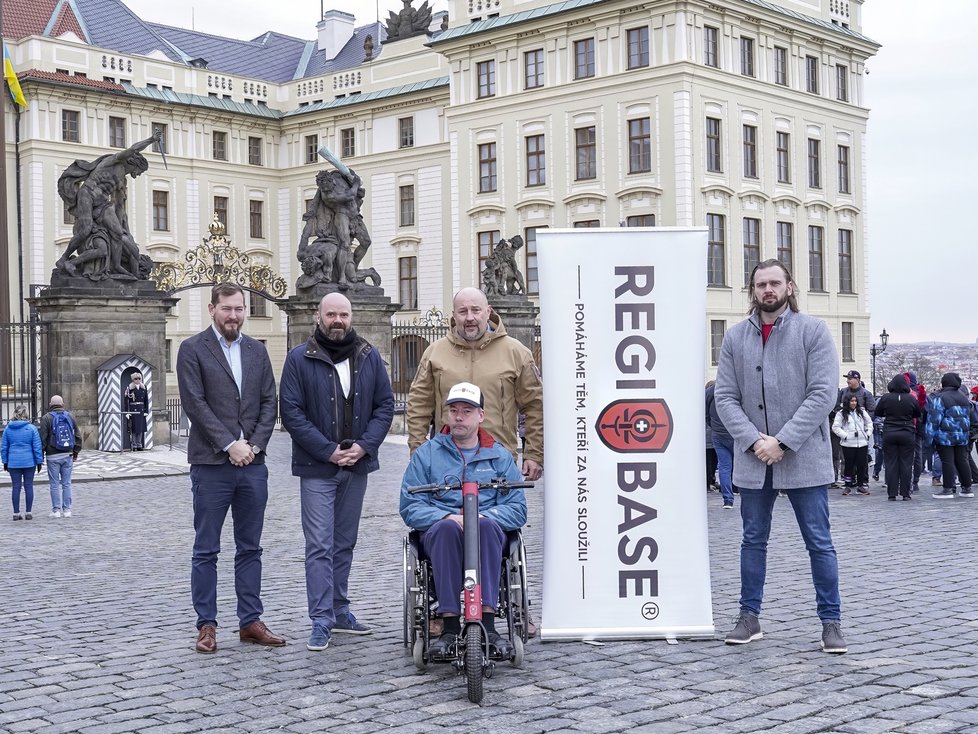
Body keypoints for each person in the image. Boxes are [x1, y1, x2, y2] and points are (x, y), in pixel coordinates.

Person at [715, 259, 846, 654]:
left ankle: (831, 622)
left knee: (819, 542)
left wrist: (783, 441)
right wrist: (755, 441)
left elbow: (823, 393)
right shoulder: (735, 337)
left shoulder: (813, 331)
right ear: (752, 291)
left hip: (803, 457)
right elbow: (725, 397)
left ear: (789, 287)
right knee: (752, 541)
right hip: (754, 459)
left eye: (775, 283)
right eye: (760, 284)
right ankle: (748, 616)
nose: (767, 290)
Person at [280, 292, 394, 652]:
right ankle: (320, 620)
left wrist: (364, 446)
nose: (338, 320)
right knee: (319, 545)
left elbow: (385, 406)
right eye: (331, 314)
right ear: (318, 316)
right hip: (317, 467)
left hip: (357, 464)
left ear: (351, 316)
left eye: (343, 314)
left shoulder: (368, 355)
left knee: (344, 543)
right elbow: (292, 413)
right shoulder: (299, 358)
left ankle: (340, 609)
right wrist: (328, 451)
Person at [176, 283, 284, 654]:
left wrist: (252, 446)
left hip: (253, 465)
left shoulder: (256, 350)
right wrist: (230, 444)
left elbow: (270, 402)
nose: (234, 315)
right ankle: (206, 625)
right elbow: (195, 404)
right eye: (227, 309)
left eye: (239, 309)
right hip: (211, 465)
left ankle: (250, 621)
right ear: (212, 309)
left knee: (250, 547)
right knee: (206, 549)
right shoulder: (192, 349)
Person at [400, 382, 526, 659]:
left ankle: (490, 626)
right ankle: (448, 626)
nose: (459, 416)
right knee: (445, 529)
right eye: (453, 410)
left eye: (467, 411)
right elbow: (410, 505)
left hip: (487, 530)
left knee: (486, 526)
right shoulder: (427, 454)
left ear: (481, 415)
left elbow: (517, 509)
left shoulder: (500, 456)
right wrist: (448, 516)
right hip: (442, 532)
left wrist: (482, 516)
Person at [407, 287, 543, 481]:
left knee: (500, 513)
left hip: (499, 460)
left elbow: (534, 407)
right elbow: (418, 405)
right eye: (462, 311)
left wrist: (534, 453)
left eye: (475, 310)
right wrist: (418, 450)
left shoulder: (517, 353)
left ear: (488, 312)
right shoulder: (434, 353)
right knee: (449, 513)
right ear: (454, 315)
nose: (469, 317)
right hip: (445, 461)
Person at [924, 372, 975, 500]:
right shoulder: (964, 398)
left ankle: (948, 489)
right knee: (962, 461)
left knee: (947, 461)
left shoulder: (940, 398)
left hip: (945, 436)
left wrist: (928, 438)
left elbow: (934, 420)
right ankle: (967, 488)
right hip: (962, 436)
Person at [874, 374, 921, 501]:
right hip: (907, 432)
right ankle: (905, 493)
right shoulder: (911, 398)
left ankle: (892, 493)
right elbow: (917, 413)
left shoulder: (886, 398)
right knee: (906, 464)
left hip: (890, 432)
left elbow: (877, 412)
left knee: (891, 463)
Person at [38, 395, 81, 519]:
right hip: (67, 454)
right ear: (62, 404)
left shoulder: (46, 418)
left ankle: (56, 510)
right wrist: (76, 452)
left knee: (54, 484)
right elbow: (78, 436)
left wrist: (41, 456)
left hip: (52, 456)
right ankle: (67, 510)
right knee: (67, 483)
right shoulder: (70, 416)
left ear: (51, 405)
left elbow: (43, 439)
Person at [2, 405, 43, 521]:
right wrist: (39, 461)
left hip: (13, 462)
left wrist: (5, 461)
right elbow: (37, 447)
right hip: (29, 462)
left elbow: (4, 447)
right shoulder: (31, 428)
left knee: (16, 487)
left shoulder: (8, 429)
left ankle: (16, 513)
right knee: (28, 486)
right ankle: (28, 512)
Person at [832, 395, 874, 495]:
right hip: (848, 444)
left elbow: (869, 423)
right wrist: (845, 436)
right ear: (847, 402)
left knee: (861, 465)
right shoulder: (841, 414)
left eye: (855, 401)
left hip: (862, 442)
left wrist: (867, 434)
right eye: (852, 401)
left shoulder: (862, 412)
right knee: (849, 465)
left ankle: (860, 485)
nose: (854, 403)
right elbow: (836, 427)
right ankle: (847, 485)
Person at [706, 380, 735, 508]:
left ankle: (727, 499)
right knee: (740, 464)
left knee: (724, 467)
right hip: (734, 432)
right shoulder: (734, 387)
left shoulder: (709, 392)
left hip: (717, 433)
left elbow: (705, 414)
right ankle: (741, 492)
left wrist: (713, 426)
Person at [123, 372, 149, 450]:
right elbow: (126, 400)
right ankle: (134, 444)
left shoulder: (143, 387)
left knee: (140, 428)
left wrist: (146, 411)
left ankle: (139, 444)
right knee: (133, 428)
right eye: (135, 379)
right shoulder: (129, 388)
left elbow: (146, 400)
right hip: (133, 409)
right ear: (133, 379)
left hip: (141, 409)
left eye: (139, 378)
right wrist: (127, 411)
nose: (137, 380)